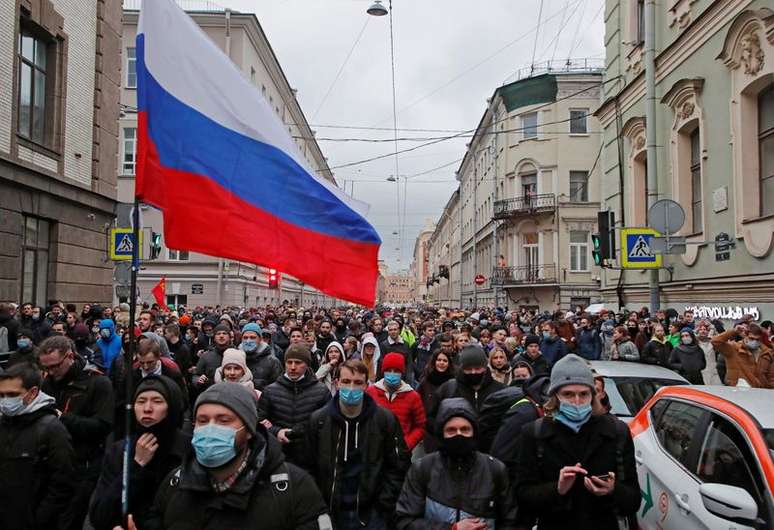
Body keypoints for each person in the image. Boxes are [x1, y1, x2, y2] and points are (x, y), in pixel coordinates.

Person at [116, 383, 330, 530]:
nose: (210, 428)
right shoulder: (176, 483)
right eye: (202, 420)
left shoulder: (293, 488)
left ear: (248, 430)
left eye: (223, 420)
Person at [515, 354, 640, 529]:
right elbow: (523, 495)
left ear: (593, 394)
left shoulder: (617, 432)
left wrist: (613, 490)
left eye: (583, 394)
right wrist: (557, 489)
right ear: (555, 395)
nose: (576, 402)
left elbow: (633, 500)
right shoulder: (534, 433)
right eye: (568, 394)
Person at [305, 359, 409, 530]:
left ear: (366, 385)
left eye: (358, 382)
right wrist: (318, 509)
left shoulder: (384, 420)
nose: (351, 388)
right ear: (337, 383)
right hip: (330, 513)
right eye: (346, 382)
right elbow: (307, 467)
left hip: (371, 514)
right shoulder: (319, 421)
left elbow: (398, 467)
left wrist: (382, 507)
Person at [395, 397, 518, 529]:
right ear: (442, 435)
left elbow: (510, 520)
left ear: (474, 433)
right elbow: (405, 521)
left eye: (465, 429)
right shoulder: (423, 468)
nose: (459, 435)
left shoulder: (494, 469)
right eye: (451, 430)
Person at [90, 375, 189, 530]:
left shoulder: (189, 449)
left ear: (171, 407)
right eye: (141, 401)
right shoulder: (120, 450)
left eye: (157, 401)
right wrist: (135, 466)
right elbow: (99, 514)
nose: (147, 409)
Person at [38, 335, 115, 530]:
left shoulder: (98, 383)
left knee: (69, 521)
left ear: (70, 357)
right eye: (46, 368)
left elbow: (102, 426)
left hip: (83, 466)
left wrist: (62, 418)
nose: (50, 372)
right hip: (51, 464)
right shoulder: (48, 382)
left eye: (55, 366)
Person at [0, 362, 75, 530]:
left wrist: (38, 519)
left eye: (11, 394)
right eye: (1, 395)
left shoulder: (51, 430)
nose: (5, 401)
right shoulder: (4, 423)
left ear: (33, 393)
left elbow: (63, 484)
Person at [258, 343, 330, 466]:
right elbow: (259, 421)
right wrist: (276, 431)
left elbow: (327, 423)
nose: (292, 367)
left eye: (298, 363)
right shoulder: (270, 391)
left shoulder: (321, 392)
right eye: (289, 362)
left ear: (306, 364)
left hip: (310, 458)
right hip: (278, 457)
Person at [429, 344, 505, 452]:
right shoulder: (448, 389)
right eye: (469, 369)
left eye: (478, 368)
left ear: (485, 366)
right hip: (454, 451)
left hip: (491, 453)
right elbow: (431, 419)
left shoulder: (500, 391)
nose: (474, 372)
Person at [366, 352, 426, 451]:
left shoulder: (413, 396)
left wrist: (406, 444)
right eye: (389, 370)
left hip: (400, 454)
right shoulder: (371, 392)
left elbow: (420, 426)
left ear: (402, 373)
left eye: (396, 371)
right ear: (383, 371)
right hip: (374, 450)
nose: (392, 374)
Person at [712, 323, 774, 387]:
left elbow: (771, 377)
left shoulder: (767, 353)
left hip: (761, 392)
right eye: (751, 338)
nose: (754, 341)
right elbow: (715, 342)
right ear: (745, 336)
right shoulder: (734, 348)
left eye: (757, 339)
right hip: (738, 391)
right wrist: (733, 331)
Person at [239, 323, 282, 391]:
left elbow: (278, 389)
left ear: (260, 339)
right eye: (245, 337)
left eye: (252, 337)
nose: (248, 341)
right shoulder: (237, 359)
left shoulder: (272, 362)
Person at [193, 322, 232, 392]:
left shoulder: (237, 355)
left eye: (224, 333)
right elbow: (195, 375)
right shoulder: (206, 356)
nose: (221, 336)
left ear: (229, 337)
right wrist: (198, 380)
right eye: (218, 334)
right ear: (214, 338)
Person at [696, 321, 722, 385]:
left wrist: (712, 328)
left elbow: (720, 338)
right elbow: (691, 334)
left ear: (708, 332)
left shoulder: (712, 342)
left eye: (704, 329)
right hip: (702, 371)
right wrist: (697, 327)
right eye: (701, 330)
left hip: (713, 371)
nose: (703, 331)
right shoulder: (696, 343)